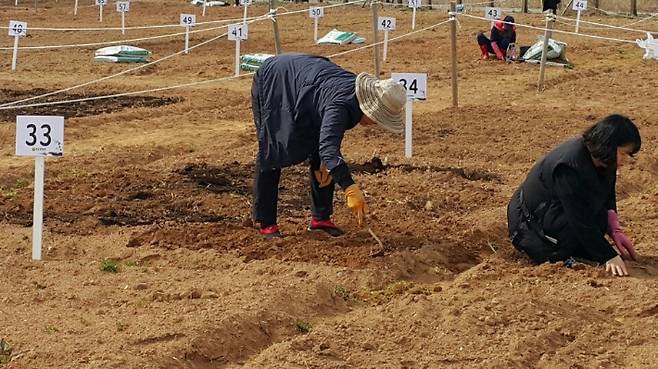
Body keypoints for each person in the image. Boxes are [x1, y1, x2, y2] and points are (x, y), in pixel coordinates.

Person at [250, 53, 406, 238]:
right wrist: (349, 187)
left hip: (307, 88)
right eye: (378, 119)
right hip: (276, 82)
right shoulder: (341, 105)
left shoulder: (351, 100)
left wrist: (328, 161)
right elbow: (329, 148)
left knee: (324, 159)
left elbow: (327, 142)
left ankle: (321, 219)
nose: (376, 124)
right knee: (272, 146)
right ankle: (266, 221)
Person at [507, 114, 641, 277]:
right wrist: (608, 256)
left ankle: (576, 247)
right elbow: (578, 217)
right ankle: (555, 251)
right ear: (609, 146)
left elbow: (606, 193)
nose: (626, 160)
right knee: (578, 224)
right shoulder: (568, 167)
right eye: (624, 153)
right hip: (528, 225)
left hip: (556, 212)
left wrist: (614, 228)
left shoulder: (604, 160)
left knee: (598, 217)